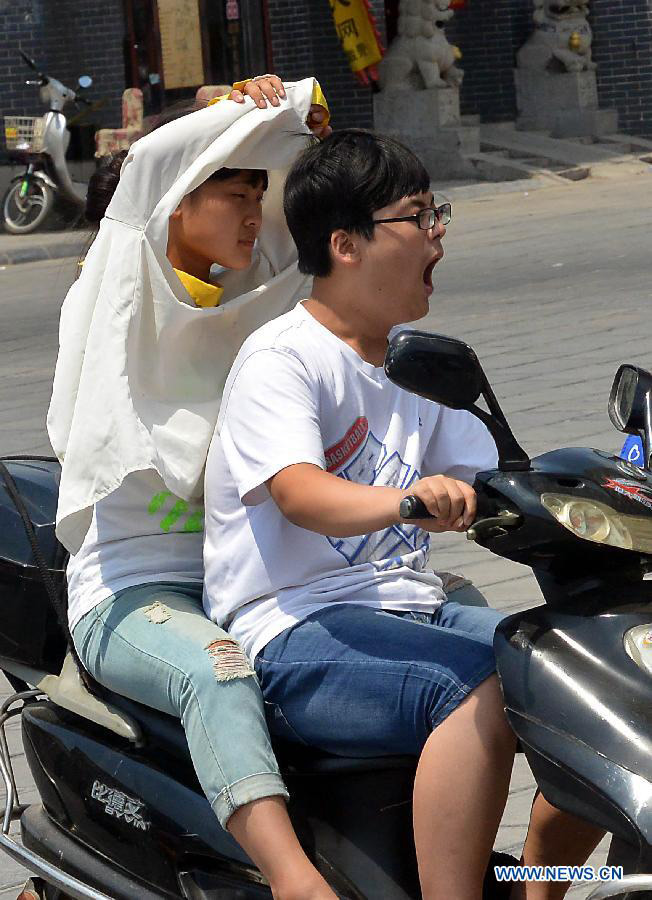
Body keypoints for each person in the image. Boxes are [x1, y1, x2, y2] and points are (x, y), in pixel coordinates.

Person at [203, 129, 605, 900]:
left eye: (436, 212)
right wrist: (406, 500)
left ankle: (537, 887)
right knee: (479, 684)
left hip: (405, 608)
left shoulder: (414, 364)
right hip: (289, 629)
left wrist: (607, 494)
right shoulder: (283, 357)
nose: (439, 233)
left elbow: (502, 478)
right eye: (419, 216)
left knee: (575, 666)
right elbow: (299, 491)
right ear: (346, 243)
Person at [47, 76, 337, 900]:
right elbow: (151, 162)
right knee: (219, 674)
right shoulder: (118, 288)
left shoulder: (263, 295)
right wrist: (241, 109)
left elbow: (315, 184)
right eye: (232, 193)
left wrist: (300, 119)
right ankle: (295, 884)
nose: (254, 214)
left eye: (260, 194)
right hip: (132, 591)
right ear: (176, 200)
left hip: (245, 582)